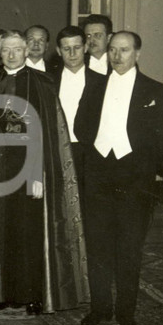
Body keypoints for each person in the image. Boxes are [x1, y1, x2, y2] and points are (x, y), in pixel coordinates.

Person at [0, 30, 87, 314]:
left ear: (26, 51)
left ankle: (31, 295)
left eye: (16, 49)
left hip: (29, 166)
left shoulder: (41, 82)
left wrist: (38, 174)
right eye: (6, 50)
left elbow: (47, 134)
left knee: (28, 232)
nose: (11, 55)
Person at [74, 31, 163, 325]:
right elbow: (81, 125)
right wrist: (99, 152)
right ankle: (100, 307)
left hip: (135, 177)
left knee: (130, 245)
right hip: (99, 173)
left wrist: (148, 167)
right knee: (98, 244)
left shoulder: (154, 89)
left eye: (125, 50)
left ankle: (126, 311)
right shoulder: (94, 86)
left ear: (137, 54)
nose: (118, 56)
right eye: (113, 50)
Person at [53, 25, 107, 201]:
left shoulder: (102, 82)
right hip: (57, 149)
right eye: (66, 49)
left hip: (90, 151)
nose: (72, 53)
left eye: (77, 48)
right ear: (58, 51)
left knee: (90, 203)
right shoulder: (47, 81)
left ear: (85, 48)